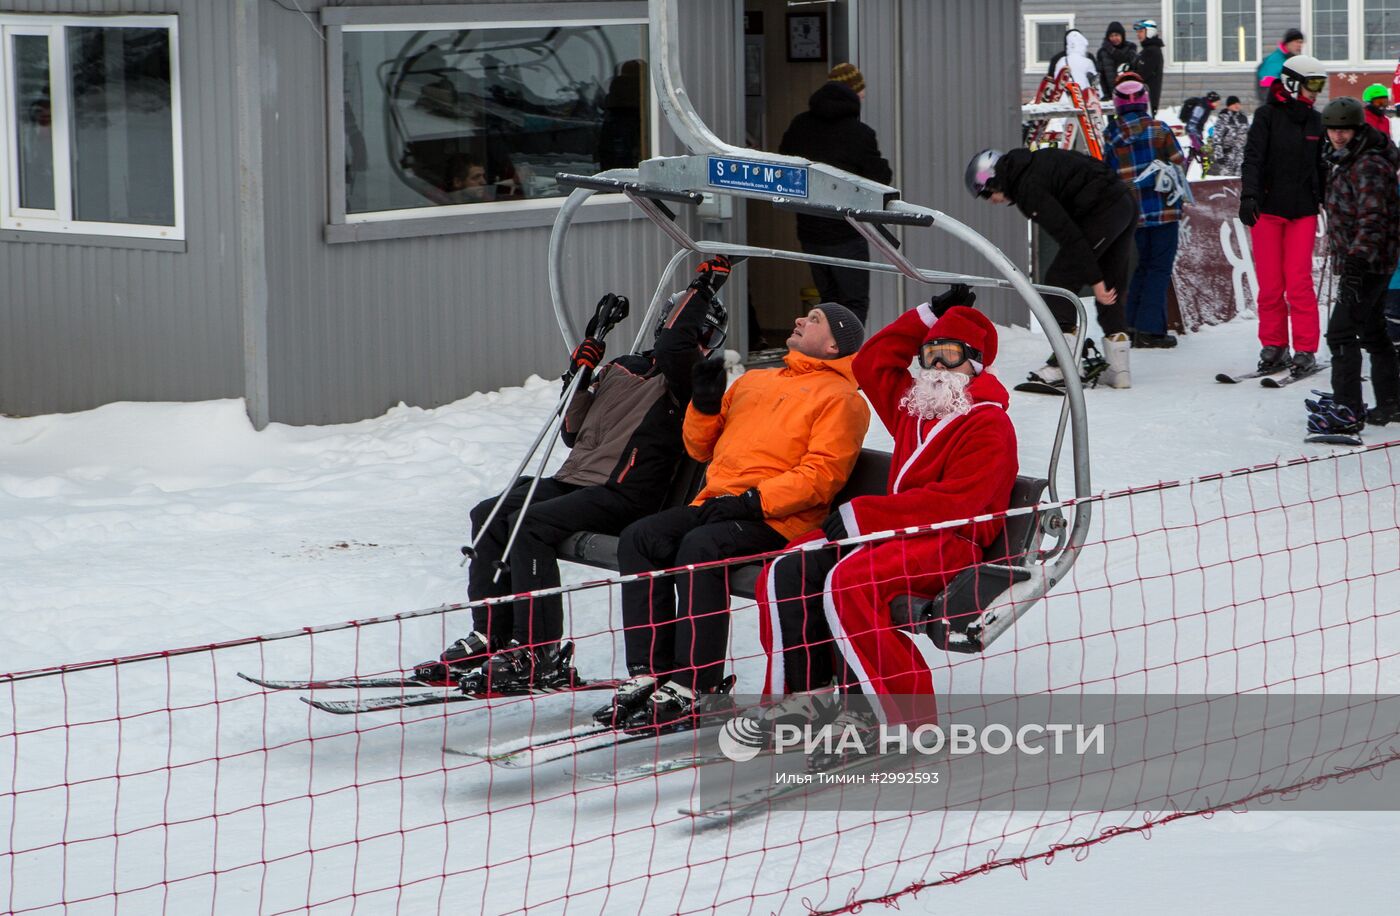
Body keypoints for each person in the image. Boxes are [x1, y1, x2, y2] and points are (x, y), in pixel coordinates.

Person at [414, 257, 733, 688]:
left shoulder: (688, 380)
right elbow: (573, 429)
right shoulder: (624, 367)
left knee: (530, 525)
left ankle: (538, 649)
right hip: (577, 478)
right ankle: (493, 632)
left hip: (624, 493)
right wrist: (579, 375)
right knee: (488, 514)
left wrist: (703, 288)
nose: (703, 341)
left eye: (708, 335)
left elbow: (677, 345)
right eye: (701, 330)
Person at [595, 303, 872, 730]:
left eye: (813, 320)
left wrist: (752, 502)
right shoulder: (755, 381)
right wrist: (704, 404)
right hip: (719, 504)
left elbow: (821, 477)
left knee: (701, 548)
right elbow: (699, 448)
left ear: (835, 344)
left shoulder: (843, 400)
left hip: (779, 520)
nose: (799, 320)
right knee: (640, 538)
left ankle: (695, 686)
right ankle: (649, 673)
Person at [750, 290, 1017, 729]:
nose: (935, 366)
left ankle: (892, 715)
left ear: (975, 363)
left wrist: (865, 516)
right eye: (929, 353)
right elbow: (871, 362)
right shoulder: (915, 411)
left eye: (949, 355)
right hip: (899, 534)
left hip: (951, 542)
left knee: (850, 582)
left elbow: (957, 502)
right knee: (789, 567)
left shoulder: (988, 423)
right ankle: (806, 696)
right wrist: (927, 314)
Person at [966, 146, 1135, 389]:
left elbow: (1070, 236)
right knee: (1111, 284)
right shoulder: (1036, 162)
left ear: (993, 180)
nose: (991, 201)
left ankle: (1065, 367)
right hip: (1124, 202)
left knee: (1057, 282)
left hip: (1103, 211)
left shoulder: (1027, 188)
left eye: (985, 194)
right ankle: (1120, 369)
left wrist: (1095, 281)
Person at [778, 63, 893, 326]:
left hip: (808, 228)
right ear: (851, 94)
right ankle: (848, 361)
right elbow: (880, 178)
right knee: (853, 302)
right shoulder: (859, 133)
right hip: (846, 230)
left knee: (828, 299)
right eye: (861, 91)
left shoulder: (799, 125)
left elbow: (783, 164)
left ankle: (827, 357)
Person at [1313, 96, 1400, 434]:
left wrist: (1356, 262)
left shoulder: (1368, 165)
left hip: (1367, 262)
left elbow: (1373, 217)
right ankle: (1392, 401)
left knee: (1341, 332)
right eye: (1333, 129)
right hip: (1366, 260)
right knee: (1373, 329)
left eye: (1344, 129)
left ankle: (1347, 410)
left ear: (1358, 129)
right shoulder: (1346, 159)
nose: (1338, 136)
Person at [1241, 54, 1327, 376]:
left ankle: (1305, 348)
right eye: (1313, 84)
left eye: (1321, 84)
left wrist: (1329, 200)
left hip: (1302, 212)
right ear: (1292, 83)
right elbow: (1253, 159)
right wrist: (1249, 195)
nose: (1317, 91)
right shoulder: (1266, 117)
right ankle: (1274, 346)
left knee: (1299, 282)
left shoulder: (1316, 121)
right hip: (1268, 211)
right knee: (1271, 285)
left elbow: (1323, 166)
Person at [1105, 79, 1188, 349]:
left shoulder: (1111, 136)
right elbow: (1179, 164)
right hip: (1164, 212)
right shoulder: (1159, 130)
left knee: (1141, 267)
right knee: (1159, 269)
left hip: (1131, 217)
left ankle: (1131, 323)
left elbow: (1107, 175)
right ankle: (1151, 330)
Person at [1256, 28, 1304, 103]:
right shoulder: (1273, 61)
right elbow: (1267, 92)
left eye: (1301, 43)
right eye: (1297, 42)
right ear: (1288, 43)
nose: (1300, 45)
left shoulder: (1293, 61)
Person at [1096, 22, 1138, 101]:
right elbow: (1101, 76)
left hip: (1129, 94)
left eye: (1117, 35)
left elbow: (1134, 68)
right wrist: (1106, 94)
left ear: (1122, 35)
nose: (1114, 38)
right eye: (1111, 36)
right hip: (1110, 95)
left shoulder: (1130, 49)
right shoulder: (1102, 52)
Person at [1208, 96, 1250, 176]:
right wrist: (1219, 155)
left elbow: (1249, 135)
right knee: (1227, 180)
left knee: (1242, 179)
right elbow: (1217, 138)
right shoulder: (1223, 118)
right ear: (1228, 105)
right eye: (1234, 104)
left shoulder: (1243, 118)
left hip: (1241, 156)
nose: (1237, 106)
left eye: (1238, 104)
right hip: (1227, 156)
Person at [1054, 29, 1099, 98]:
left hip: (1065, 98)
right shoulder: (1088, 62)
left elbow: (1056, 81)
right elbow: (1095, 84)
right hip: (1083, 98)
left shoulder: (1061, 61)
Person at [1179, 91, 1219, 168]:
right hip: (1193, 133)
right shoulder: (1201, 107)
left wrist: (1199, 134)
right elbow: (1193, 121)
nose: (1218, 104)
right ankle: (1206, 172)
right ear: (1212, 101)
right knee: (1203, 151)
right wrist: (1195, 135)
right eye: (1217, 102)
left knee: (1194, 153)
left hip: (1196, 133)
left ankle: (1183, 169)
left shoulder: (1207, 107)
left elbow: (1199, 124)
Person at [1133, 19, 1165, 114]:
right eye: (1137, 32)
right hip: (1144, 100)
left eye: (1141, 31)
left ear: (1150, 31)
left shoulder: (1152, 51)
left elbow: (1141, 75)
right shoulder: (1147, 50)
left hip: (1146, 101)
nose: (1138, 34)